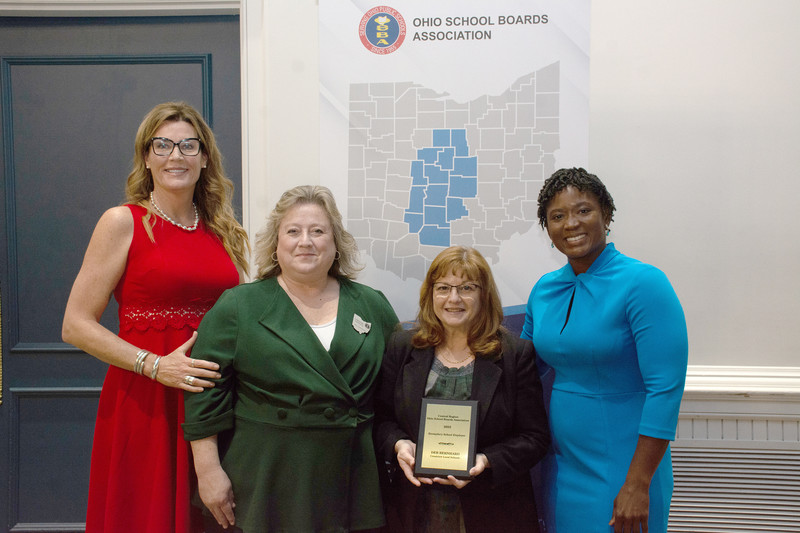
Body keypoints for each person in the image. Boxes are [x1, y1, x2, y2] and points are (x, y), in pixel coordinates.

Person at [62, 101, 249, 532]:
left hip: (213, 395)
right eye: (162, 145)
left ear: (205, 158)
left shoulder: (223, 228)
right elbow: (75, 324)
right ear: (146, 157)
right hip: (146, 399)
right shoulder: (122, 221)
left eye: (187, 145)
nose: (175, 156)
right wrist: (156, 366)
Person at [183, 185, 399, 532]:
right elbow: (204, 393)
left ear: (335, 242)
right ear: (276, 242)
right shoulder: (239, 306)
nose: (306, 241)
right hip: (266, 479)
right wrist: (208, 471)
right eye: (293, 231)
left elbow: (396, 392)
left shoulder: (372, 304)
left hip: (352, 478)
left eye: (318, 231)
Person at [522, 167, 688, 533]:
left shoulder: (644, 283)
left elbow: (666, 388)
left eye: (583, 210)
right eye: (558, 216)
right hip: (560, 467)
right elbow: (521, 368)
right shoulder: (544, 289)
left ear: (606, 216)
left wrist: (638, 483)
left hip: (626, 467)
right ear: (547, 229)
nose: (571, 223)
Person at [374, 246, 550, 533]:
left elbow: (535, 438)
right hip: (415, 508)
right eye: (443, 287)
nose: (453, 298)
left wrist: (486, 460)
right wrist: (398, 444)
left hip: (493, 511)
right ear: (430, 294)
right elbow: (381, 419)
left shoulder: (514, 354)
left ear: (484, 295)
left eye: (466, 287)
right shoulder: (403, 347)